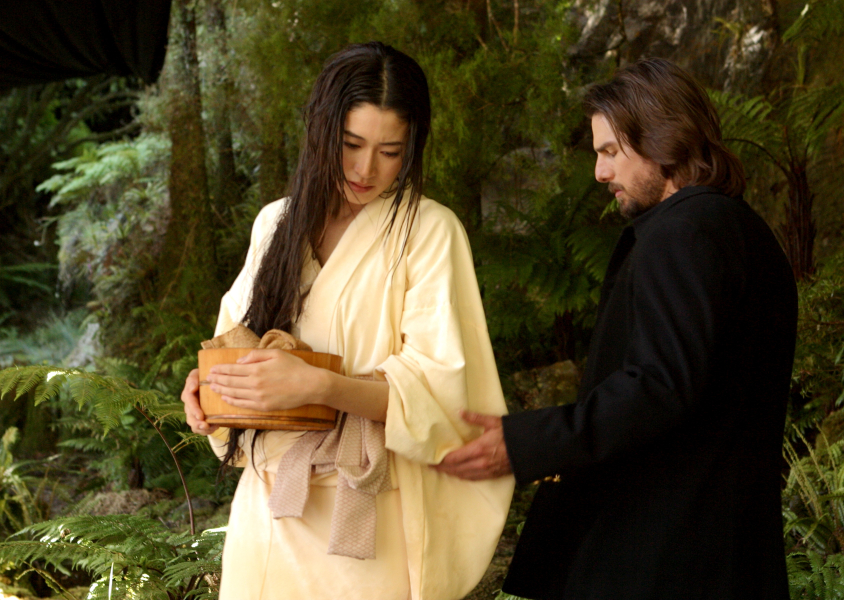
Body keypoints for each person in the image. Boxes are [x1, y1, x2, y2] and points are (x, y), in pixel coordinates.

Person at [435, 58, 798, 599]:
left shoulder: (682, 234)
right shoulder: (746, 231)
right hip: (731, 556)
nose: (600, 173)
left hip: (663, 558)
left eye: (609, 151)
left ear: (663, 139)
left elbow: (659, 385)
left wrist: (528, 442)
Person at [180, 41, 514, 600]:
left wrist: (320, 386)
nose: (365, 169)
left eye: (390, 151)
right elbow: (234, 343)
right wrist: (210, 390)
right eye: (351, 144)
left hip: (365, 511)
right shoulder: (276, 224)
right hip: (268, 510)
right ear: (320, 131)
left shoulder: (429, 231)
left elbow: (439, 393)